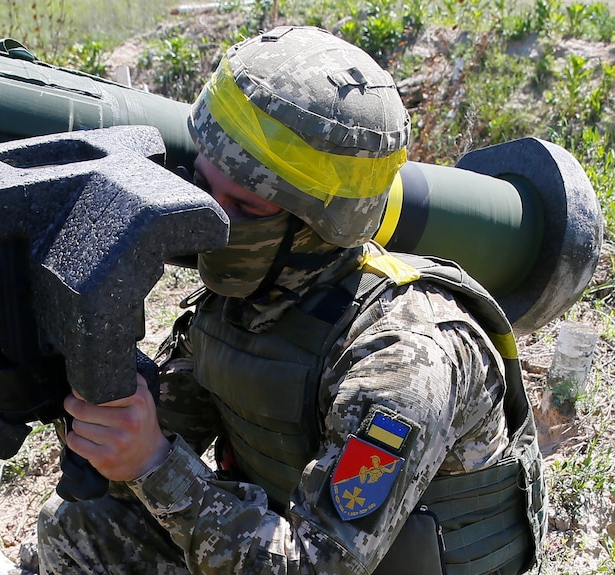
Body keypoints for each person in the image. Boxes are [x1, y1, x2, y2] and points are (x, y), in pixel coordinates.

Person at [37, 26, 545, 574]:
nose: (212, 220)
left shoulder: (401, 361)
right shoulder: (247, 300)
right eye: (202, 187)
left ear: (317, 227)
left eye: (244, 207)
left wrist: (154, 465)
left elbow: (316, 565)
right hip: (293, 543)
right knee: (80, 526)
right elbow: (158, 426)